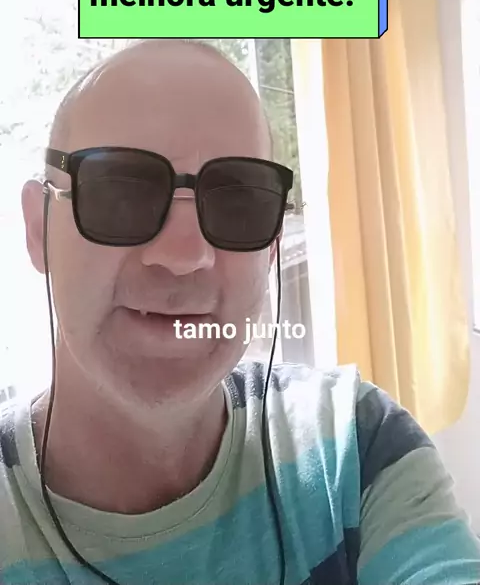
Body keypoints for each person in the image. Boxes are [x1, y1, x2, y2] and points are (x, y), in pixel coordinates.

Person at [0, 38, 479, 585]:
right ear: (38, 228)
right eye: (121, 192)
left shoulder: (355, 444)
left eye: (239, 202)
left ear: (270, 247)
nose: (184, 256)